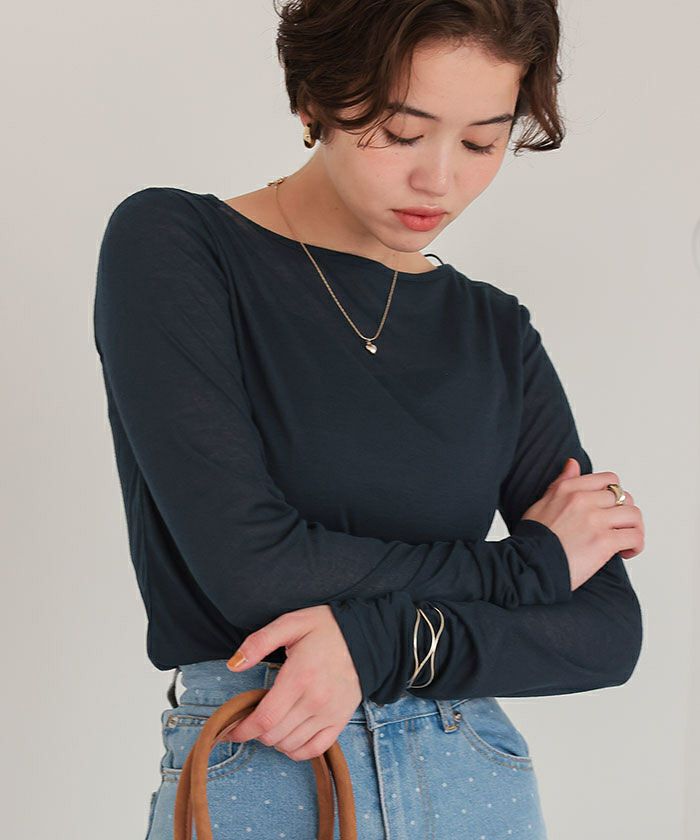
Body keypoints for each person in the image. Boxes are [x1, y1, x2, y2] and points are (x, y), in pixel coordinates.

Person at [92, 1, 645, 837]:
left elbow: (604, 630)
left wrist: (383, 644)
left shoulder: (494, 331)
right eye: (400, 133)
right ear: (316, 98)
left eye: (481, 142)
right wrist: (529, 564)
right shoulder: (177, 244)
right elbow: (252, 569)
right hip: (270, 755)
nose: (439, 180)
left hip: (470, 772)